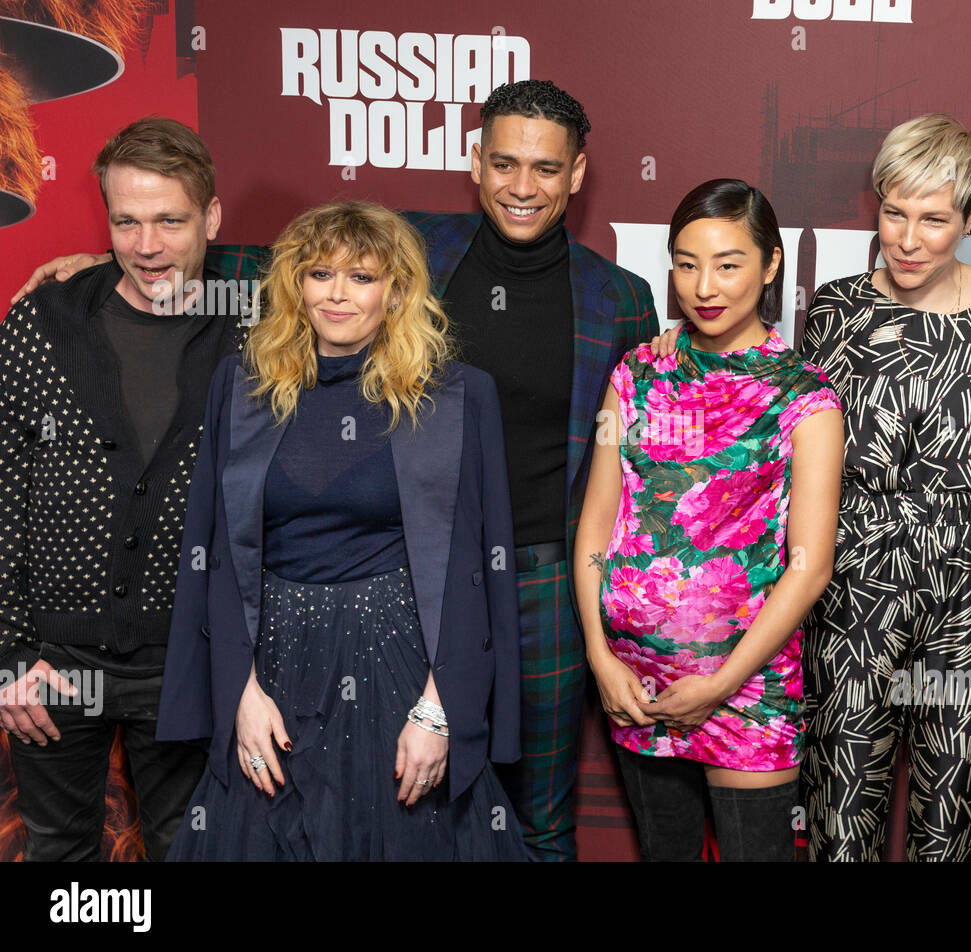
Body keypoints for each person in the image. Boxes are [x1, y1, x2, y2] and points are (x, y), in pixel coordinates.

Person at [17, 80, 659, 862]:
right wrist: (115, 264)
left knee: (532, 814)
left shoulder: (619, 298)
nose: (522, 186)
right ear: (475, 163)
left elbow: (639, 454)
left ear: (578, 174)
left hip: (537, 579)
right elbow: (276, 257)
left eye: (545, 169)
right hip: (356, 598)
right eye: (504, 163)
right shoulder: (415, 243)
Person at [653, 116, 971, 861]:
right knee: (841, 815)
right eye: (894, 212)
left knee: (955, 817)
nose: (906, 238)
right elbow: (776, 406)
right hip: (853, 592)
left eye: (933, 220)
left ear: (969, 220)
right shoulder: (836, 307)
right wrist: (690, 346)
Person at [157, 201, 527, 861]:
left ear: (397, 290)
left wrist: (440, 711)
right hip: (270, 669)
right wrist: (238, 692)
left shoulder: (456, 396)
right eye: (319, 273)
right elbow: (214, 552)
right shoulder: (241, 386)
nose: (336, 294)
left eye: (361, 277)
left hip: (401, 667)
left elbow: (476, 568)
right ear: (294, 285)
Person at [0, 117, 259, 861]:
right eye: (126, 221)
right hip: (53, 661)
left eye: (171, 221)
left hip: (189, 660)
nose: (147, 246)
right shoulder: (46, 319)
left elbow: (354, 256)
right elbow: (4, 493)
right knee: (60, 853)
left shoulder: (253, 325)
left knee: (190, 848)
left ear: (212, 217)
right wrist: (11, 654)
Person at [577, 179, 843, 861]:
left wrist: (721, 685)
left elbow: (811, 569)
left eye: (728, 264)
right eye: (687, 263)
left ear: (771, 265)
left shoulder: (805, 397)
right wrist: (600, 659)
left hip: (749, 686)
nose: (705, 285)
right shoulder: (637, 374)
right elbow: (596, 530)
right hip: (638, 684)